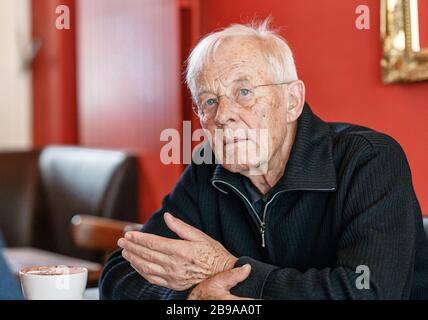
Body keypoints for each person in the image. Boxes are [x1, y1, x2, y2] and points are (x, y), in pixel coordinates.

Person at [99, 20, 428, 300]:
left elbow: (367, 292)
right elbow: (119, 276)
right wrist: (192, 296)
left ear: (292, 100)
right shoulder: (206, 168)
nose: (223, 115)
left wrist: (227, 270)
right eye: (209, 101)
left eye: (244, 93)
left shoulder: (368, 160)